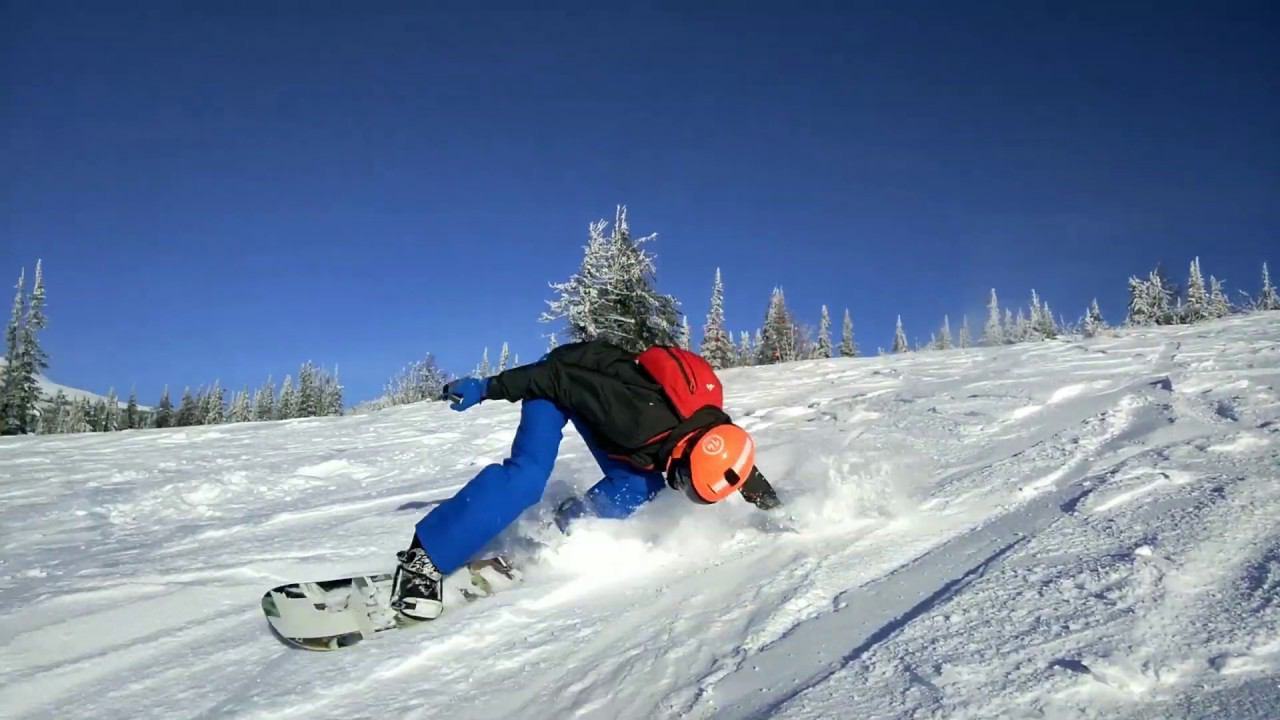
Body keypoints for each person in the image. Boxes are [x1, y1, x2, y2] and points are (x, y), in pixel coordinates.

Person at [390, 339, 781, 620]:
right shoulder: (637, 419)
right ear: (684, 456)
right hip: (557, 381)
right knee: (527, 478)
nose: (681, 489)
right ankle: (424, 558)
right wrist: (487, 387)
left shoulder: (711, 432)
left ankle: (564, 532)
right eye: (685, 483)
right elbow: (558, 378)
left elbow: (732, 463)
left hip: (606, 406)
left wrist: (772, 504)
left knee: (639, 485)